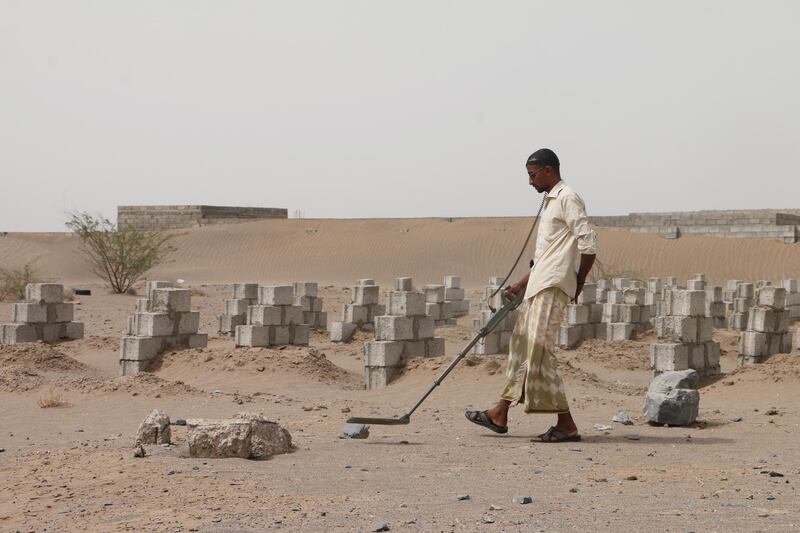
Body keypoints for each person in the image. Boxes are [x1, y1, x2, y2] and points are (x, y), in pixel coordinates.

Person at [465, 148, 597, 442]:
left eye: (532, 174)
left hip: (552, 287)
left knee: (538, 352)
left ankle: (566, 425)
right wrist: (522, 284)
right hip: (539, 285)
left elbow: (589, 244)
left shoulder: (567, 198)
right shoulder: (550, 203)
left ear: (548, 171)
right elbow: (544, 257)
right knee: (523, 349)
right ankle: (500, 413)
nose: (530, 182)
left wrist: (578, 281)